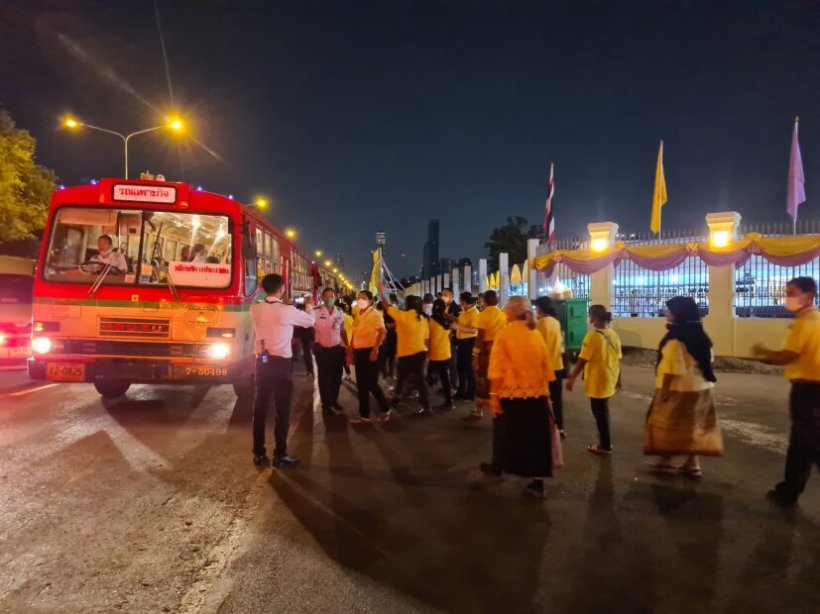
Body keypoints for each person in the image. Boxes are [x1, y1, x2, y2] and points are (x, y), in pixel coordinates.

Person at [753, 276, 820, 506]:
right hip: (813, 389)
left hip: (809, 391)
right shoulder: (816, 319)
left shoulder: (805, 322)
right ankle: (789, 489)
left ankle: (789, 491)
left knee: (805, 443)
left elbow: (788, 355)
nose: (787, 297)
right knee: (807, 442)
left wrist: (763, 354)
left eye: (791, 293)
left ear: (808, 296)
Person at [644, 296, 722, 477]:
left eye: (669, 310)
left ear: (678, 314)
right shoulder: (701, 337)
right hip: (702, 389)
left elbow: (672, 371)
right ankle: (693, 463)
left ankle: (668, 461)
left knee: (670, 426)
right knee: (693, 427)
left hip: (680, 390)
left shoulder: (675, 341)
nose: (666, 313)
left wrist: (663, 394)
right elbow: (708, 361)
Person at [485, 296, 554, 498]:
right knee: (537, 441)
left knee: (504, 434)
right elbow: (546, 367)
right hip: (538, 395)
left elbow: (496, 369)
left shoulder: (505, 334)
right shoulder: (536, 333)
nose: (504, 313)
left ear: (513, 312)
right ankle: (538, 483)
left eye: (506, 309)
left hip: (512, 395)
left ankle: (498, 466)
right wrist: (547, 395)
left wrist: (493, 397)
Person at [250, 273, 315, 467]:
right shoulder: (287, 310)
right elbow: (310, 321)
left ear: (263, 289)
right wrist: (309, 305)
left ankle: (258, 452)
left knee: (260, 409)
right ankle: (280, 454)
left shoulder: (255, 309)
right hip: (281, 364)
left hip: (262, 361)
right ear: (282, 288)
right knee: (282, 410)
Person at [566, 305, 622, 455]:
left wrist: (571, 378)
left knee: (600, 414)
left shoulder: (592, 337)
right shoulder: (613, 334)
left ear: (594, 318)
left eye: (589, 315)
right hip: (610, 377)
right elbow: (618, 359)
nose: (588, 318)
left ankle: (605, 445)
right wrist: (619, 380)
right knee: (603, 411)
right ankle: (605, 442)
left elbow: (582, 360)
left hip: (598, 380)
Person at [378, 283, 431, 417]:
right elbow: (426, 339)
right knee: (420, 381)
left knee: (401, 380)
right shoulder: (423, 319)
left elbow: (386, 307)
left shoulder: (403, 316)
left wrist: (381, 292)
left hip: (406, 355)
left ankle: (395, 403)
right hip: (420, 354)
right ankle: (426, 407)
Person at [348, 290, 391, 424]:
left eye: (364, 298)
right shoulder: (357, 313)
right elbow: (354, 333)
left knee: (371, 383)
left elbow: (382, 332)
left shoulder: (375, 314)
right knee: (362, 384)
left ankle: (385, 408)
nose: (361, 300)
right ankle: (365, 414)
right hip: (359, 352)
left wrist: (375, 349)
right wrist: (350, 350)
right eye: (359, 298)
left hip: (371, 351)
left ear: (371, 301)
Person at [468, 290, 506, 420]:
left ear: (484, 301)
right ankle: (498, 406)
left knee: (482, 378)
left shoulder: (482, 315)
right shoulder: (503, 315)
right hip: (500, 350)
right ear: (497, 300)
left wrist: (474, 356)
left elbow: (480, 338)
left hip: (486, 351)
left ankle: (479, 409)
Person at [313, 287, 348, 416]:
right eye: (326, 297)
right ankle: (326, 405)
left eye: (331, 296)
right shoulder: (315, 312)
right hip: (322, 351)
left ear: (335, 297)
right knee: (324, 378)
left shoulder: (339, 311)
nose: (329, 299)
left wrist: (348, 346)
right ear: (322, 298)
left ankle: (334, 400)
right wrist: (314, 342)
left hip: (337, 349)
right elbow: (309, 327)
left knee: (337, 377)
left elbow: (343, 329)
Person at [535, 296, 567, 437]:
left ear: (540, 308)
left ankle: (546, 429)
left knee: (543, 400)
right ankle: (559, 428)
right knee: (556, 400)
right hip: (557, 366)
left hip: (544, 369)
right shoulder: (556, 322)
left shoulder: (540, 324)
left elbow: (538, 348)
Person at [428, 298, 455, 410]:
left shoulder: (431, 320)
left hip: (434, 353)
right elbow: (450, 335)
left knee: (428, 375)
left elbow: (427, 336)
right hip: (446, 352)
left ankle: (424, 398)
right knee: (445, 377)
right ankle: (449, 401)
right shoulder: (447, 319)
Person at [454, 292, 479, 402]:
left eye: (460, 299)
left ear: (464, 301)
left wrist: (458, 327)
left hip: (469, 342)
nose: (459, 301)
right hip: (462, 342)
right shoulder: (465, 311)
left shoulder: (474, 313)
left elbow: (475, 330)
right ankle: (461, 391)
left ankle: (470, 394)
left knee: (469, 370)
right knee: (460, 368)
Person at [441, 287, 461, 392]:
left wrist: (445, 315)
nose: (443, 296)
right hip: (444, 339)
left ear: (452, 296)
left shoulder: (456, 308)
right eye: (442, 294)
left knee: (453, 363)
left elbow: (458, 322)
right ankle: (447, 385)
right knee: (446, 363)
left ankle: (454, 386)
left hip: (452, 339)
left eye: (445, 294)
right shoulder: (444, 307)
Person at [339, 301, 355, 381]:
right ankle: (348, 374)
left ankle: (346, 374)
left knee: (341, 359)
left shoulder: (338, 317)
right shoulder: (349, 317)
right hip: (349, 341)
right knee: (345, 359)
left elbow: (342, 331)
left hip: (341, 342)